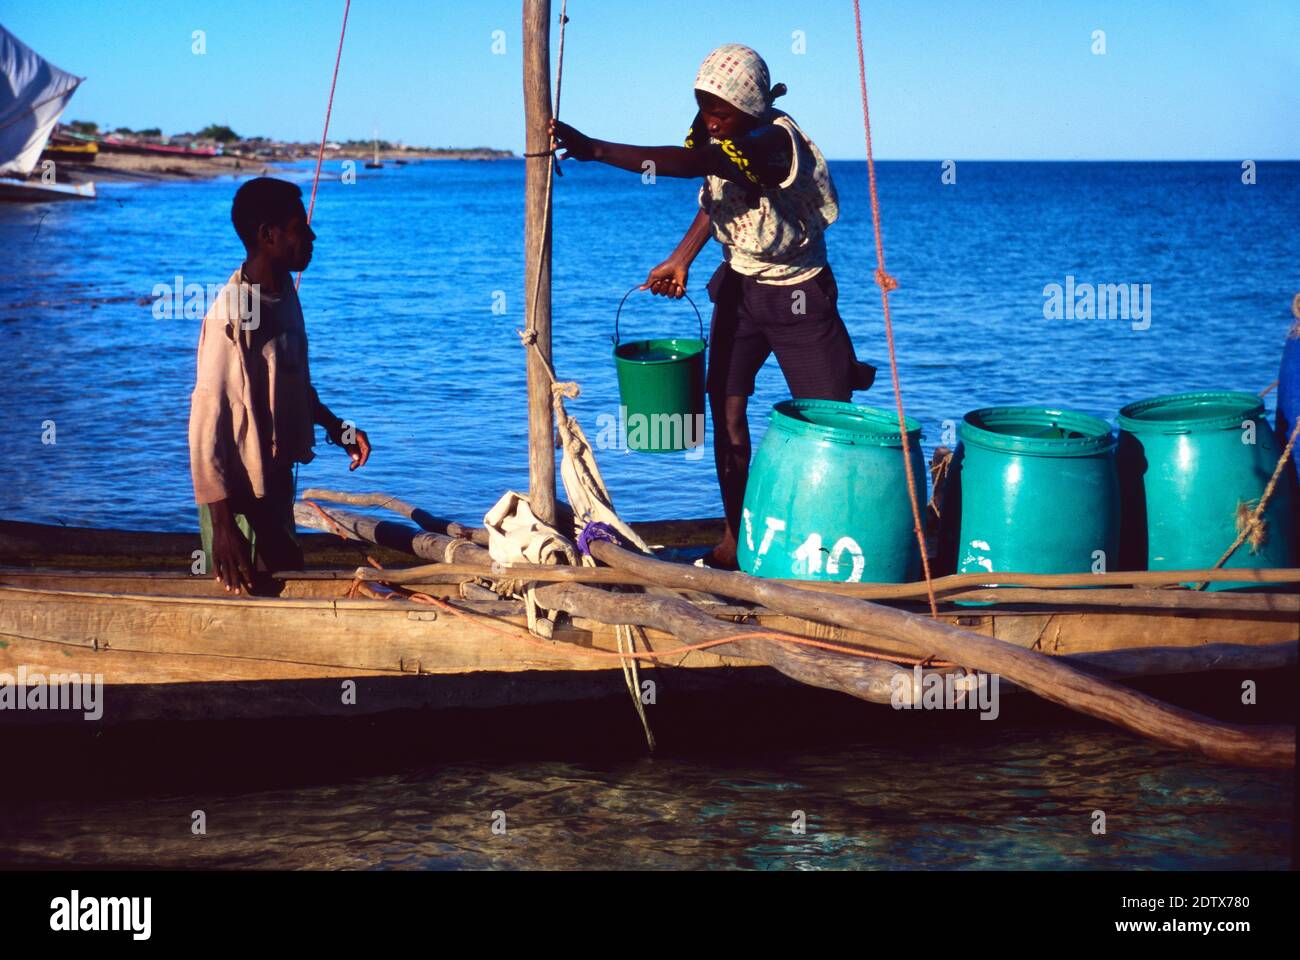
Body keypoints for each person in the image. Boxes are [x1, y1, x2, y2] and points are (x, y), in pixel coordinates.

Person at [550, 43, 874, 569]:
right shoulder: (719, 131)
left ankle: (841, 542)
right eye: (703, 106)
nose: (709, 119)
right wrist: (681, 259)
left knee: (829, 425)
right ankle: (733, 537)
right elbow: (715, 193)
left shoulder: (774, 142)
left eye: (720, 110)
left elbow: (694, 162)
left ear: (751, 104)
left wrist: (597, 150)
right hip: (739, 291)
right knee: (724, 413)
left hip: (799, 296)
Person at [188, 177, 371, 595]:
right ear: (268, 236)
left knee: (287, 578)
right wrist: (222, 530)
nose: (311, 235)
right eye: (298, 227)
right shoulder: (231, 316)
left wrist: (336, 426)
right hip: (235, 498)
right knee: (255, 598)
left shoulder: (282, 290)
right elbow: (205, 424)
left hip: (273, 482)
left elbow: (289, 380)